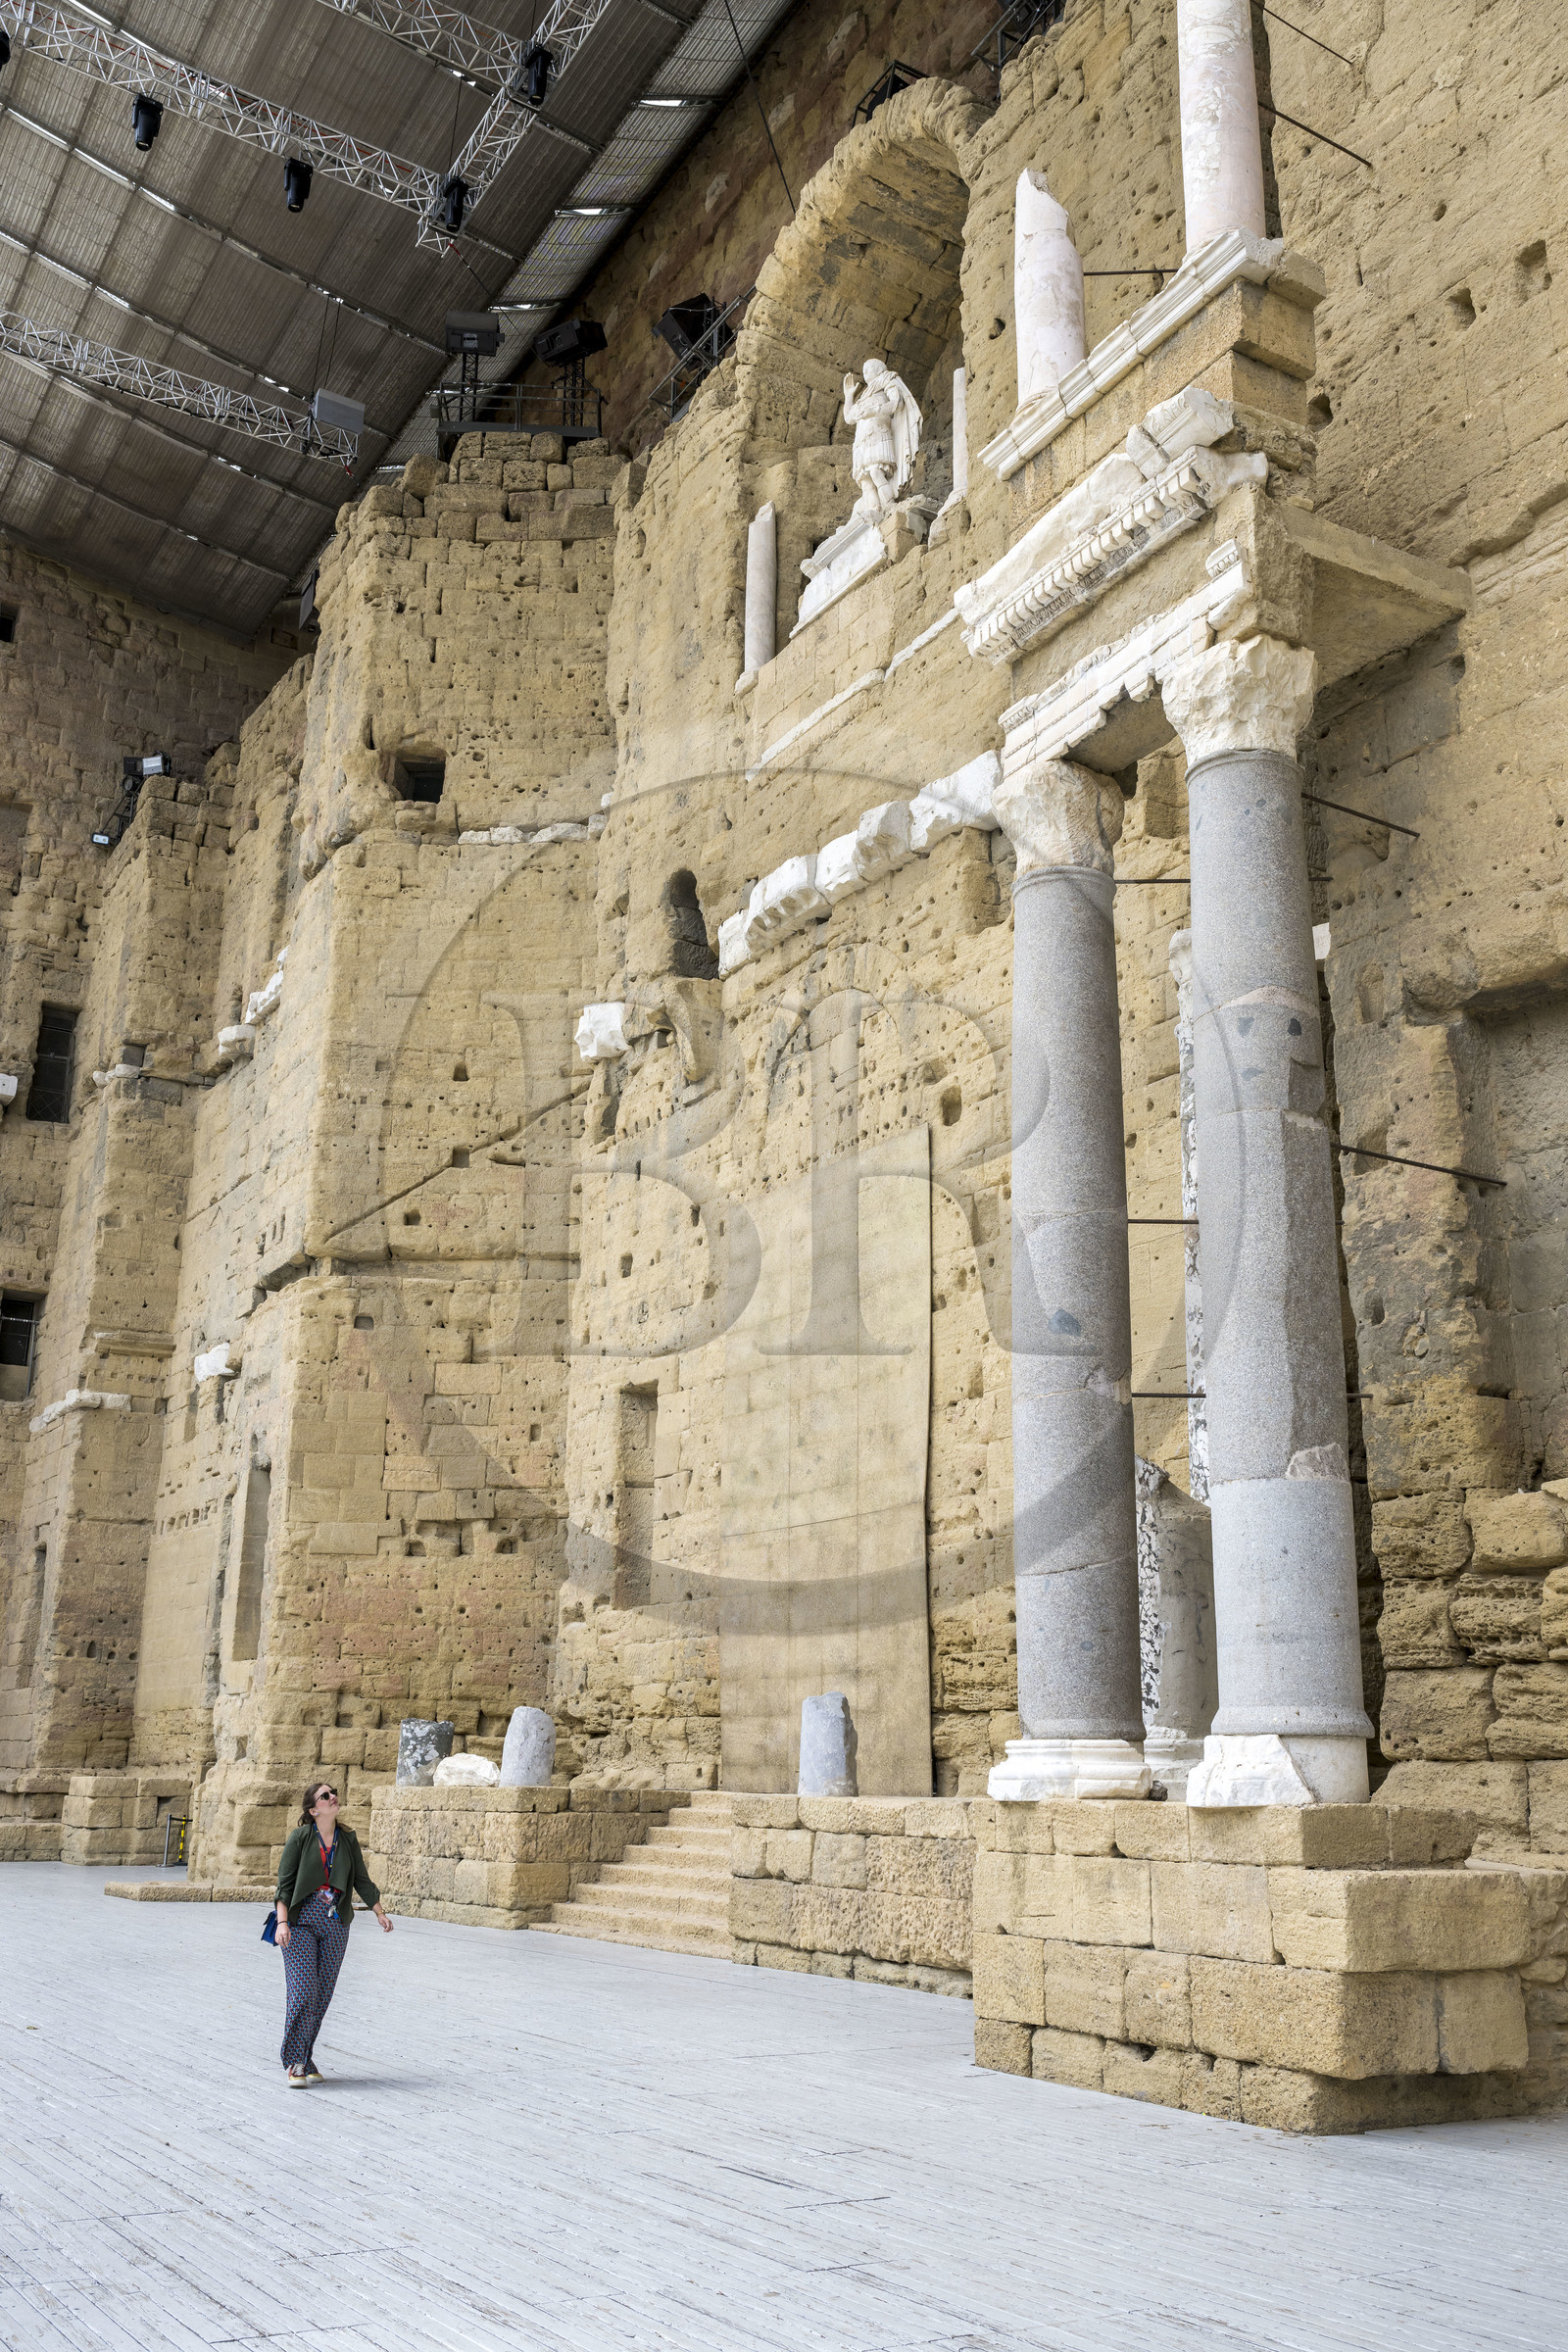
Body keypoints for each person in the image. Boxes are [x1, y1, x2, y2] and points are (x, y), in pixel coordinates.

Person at [273, 1780, 391, 2085]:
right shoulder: (300, 1838)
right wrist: (282, 1923)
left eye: (333, 1793)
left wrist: (378, 1911)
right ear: (313, 1810)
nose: (333, 1797)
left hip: (336, 1922)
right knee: (302, 1992)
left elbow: (361, 1879)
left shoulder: (347, 1838)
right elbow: (284, 1885)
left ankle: (305, 2055)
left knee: (321, 1996)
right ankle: (295, 2063)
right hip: (299, 1922)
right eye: (325, 1796)